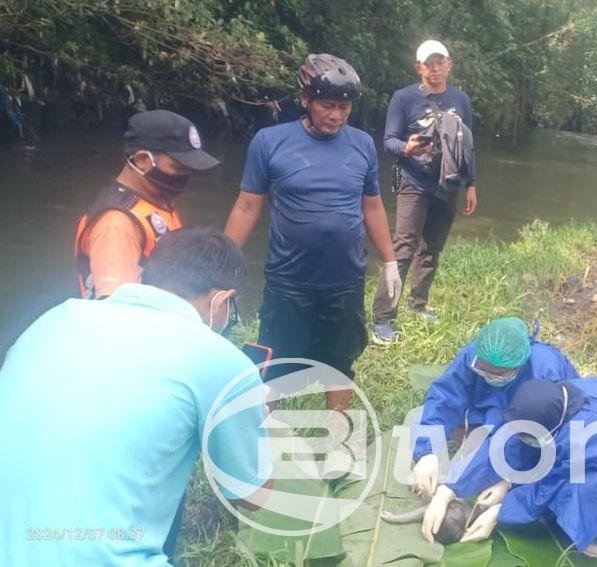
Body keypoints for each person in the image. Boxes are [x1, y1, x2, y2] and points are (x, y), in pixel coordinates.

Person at [0, 227, 272, 566]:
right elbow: (251, 494)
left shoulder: (54, 318)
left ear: (144, 276)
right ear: (222, 301)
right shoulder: (218, 356)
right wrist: (261, 420)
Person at [223, 54, 400, 411]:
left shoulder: (363, 144)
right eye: (327, 105)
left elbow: (372, 206)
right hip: (288, 280)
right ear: (305, 100)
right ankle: (263, 432)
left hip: (346, 279)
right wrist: (221, 265)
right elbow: (246, 206)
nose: (336, 115)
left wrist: (390, 261)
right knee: (274, 363)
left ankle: (337, 430)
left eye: (344, 107)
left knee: (340, 361)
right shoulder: (269, 142)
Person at [420, 377, 597, 558]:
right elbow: (508, 444)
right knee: (554, 476)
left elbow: (549, 487)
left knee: (579, 505)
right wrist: (449, 489)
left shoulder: (584, 437)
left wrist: (499, 513)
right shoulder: (556, 401)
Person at [370, 39, 478, 343]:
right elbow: (389, 141)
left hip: (449, 184)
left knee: (432, 248)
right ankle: (383, 317)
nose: (435, 69)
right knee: (403, 248)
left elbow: (469, 145)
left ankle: (418, 304)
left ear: (449, 64)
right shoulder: (403, 98)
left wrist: (471, 184)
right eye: (428, 64)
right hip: (413, 182)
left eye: (440, 62)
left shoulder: (461, 99)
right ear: (419, 67)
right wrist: (407, 147)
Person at [409, 317, 581, 498]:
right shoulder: (478, 353)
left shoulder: (545, 371)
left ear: (518, 366)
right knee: (422, 418)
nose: (488, 376)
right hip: (485, 414)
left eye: (497, 373)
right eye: (483, 370)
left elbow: (519, 441)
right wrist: (427, 452)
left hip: (530, 431)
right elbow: (445, 397)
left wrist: (506, 482)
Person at [74, 110, 220, 299]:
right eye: (178, 168)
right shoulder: (117, 224)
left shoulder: (156, 201)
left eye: (188, 170)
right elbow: (115, 305)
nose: (184, 176)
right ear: (142, 160)